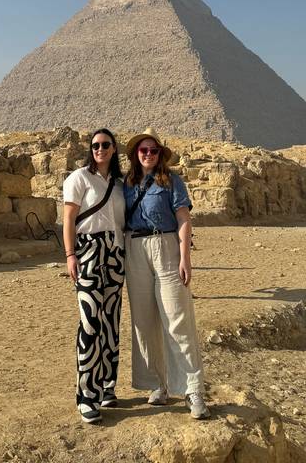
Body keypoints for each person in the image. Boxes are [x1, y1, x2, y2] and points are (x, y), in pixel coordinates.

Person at [123, 128, 210, 420]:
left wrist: (185, 257)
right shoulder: (126, 183)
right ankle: (157, 384)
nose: (148, 154)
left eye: (153, 150)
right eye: (143, 150)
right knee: (144, 322)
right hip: (135, 249)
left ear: (161, 154)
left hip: (167, 247)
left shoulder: (172, 182)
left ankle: (192, 389)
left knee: (177, 319)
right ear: (136, 154)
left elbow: (184, 219)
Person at [63, 128, 126, 424]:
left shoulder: (119, 184)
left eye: (105, 145)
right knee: (90, 323)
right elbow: (69, 219)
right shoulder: (79, 178)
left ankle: (107, 386)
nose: (99, 149)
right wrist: (70, 255)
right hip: (88, 252)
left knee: (111, 321)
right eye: (95, 145)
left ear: (114, 149)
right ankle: (86, 395)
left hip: (115, 254)